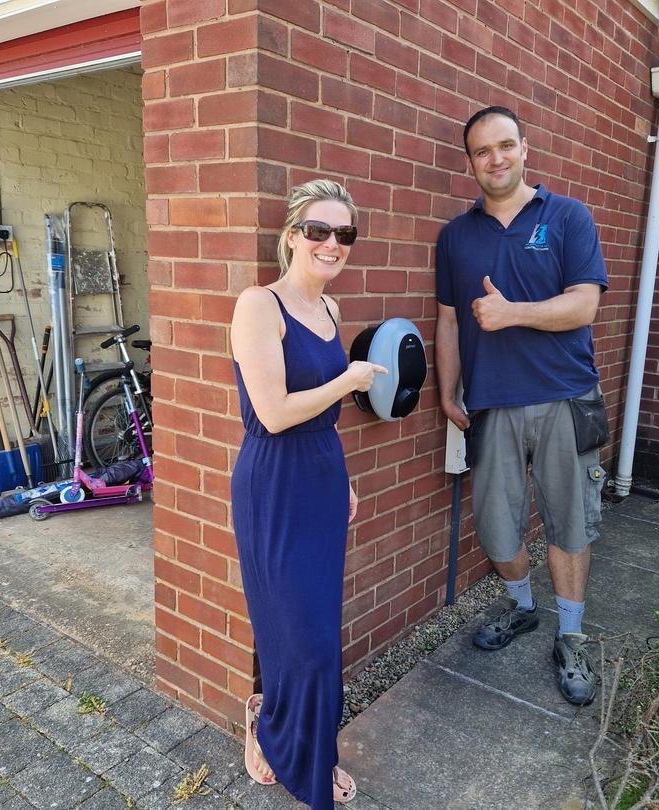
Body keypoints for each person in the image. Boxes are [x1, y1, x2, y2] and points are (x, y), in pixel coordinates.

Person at [435, 106, 609, 706]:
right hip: (491, 403)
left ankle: (572, 635)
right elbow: (449, 320)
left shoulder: (568, 217)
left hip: (565, 396)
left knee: (569, 521)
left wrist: (512, 313)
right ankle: (522, 607)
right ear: (470, 162)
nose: (496, 158)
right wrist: (447, 392)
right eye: (482, 151)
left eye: (505, 145)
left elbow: (584, 305)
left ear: (525, 148)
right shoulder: (456, 236)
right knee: (497, 524)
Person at [230, 179, 387, 807]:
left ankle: (304, 743)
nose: (332, 243)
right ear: (293, 236)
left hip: (321, 477)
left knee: (316, 632)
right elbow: (272, 414)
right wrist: (349, 379)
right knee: (300, 638)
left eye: (344, 233)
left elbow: (322, 415)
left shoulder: (331, 311)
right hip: (273, 481)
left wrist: (342, 476)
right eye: (318, 230)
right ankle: (275, 731)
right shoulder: (259, 305)